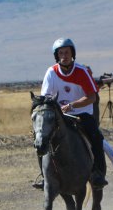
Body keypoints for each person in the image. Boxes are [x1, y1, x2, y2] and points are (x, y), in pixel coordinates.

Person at [33, 38, 108, 190]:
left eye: (67, 52)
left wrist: (72, 105)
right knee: (41, 138)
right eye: (60, 53)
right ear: (56, 55)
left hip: (82, 114)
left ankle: (98, 174)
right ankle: (44, 176)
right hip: (59, 115)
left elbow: (92, 97)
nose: (64, 56)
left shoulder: (82, 71)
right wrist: (57, 109)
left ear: (72, 53)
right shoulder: (51, 72)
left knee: (96, 136)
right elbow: (46, 98)